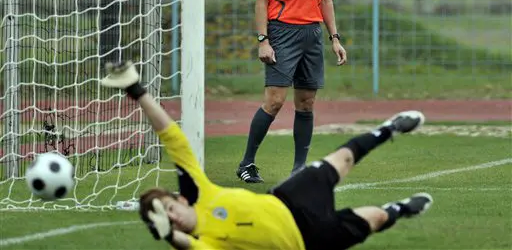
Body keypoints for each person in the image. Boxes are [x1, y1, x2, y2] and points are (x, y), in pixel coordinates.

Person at [100, 61, 434, 250]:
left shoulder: (197, 192)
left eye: (170, 210)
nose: (174, 219)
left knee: (342, 159)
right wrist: (170, 236)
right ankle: (400, 209)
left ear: (180, 200)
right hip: (308, 241)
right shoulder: (204, 242)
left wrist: (136, 91)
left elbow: (172, 138)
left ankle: (389, 129)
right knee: (374, 218)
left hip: (288, 200)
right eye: (167, 220)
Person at [236, 0, 347, 183]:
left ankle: (299, 169)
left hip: (312, 34)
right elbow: (261, 2)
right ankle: (247, 164)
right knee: (274, 101)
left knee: (307, 102)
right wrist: (263, 40)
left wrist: (334, 38)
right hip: (282, 32)